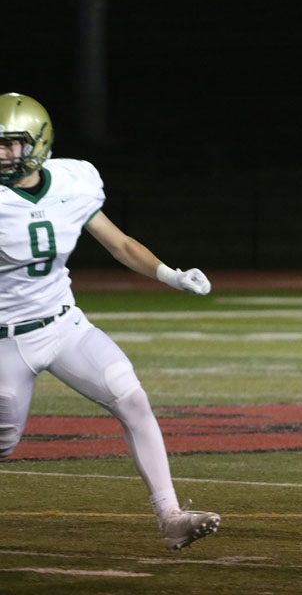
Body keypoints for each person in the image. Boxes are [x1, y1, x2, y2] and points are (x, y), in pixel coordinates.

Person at [0, 93, 220, 551]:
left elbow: (118, 243)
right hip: (5, 341)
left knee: (131, 397)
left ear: (38, 144)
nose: (1, 153)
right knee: (4, 440)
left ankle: (171, 516)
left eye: (10, 143)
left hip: (63, 326)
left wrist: (170, 275)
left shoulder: (72, 181)